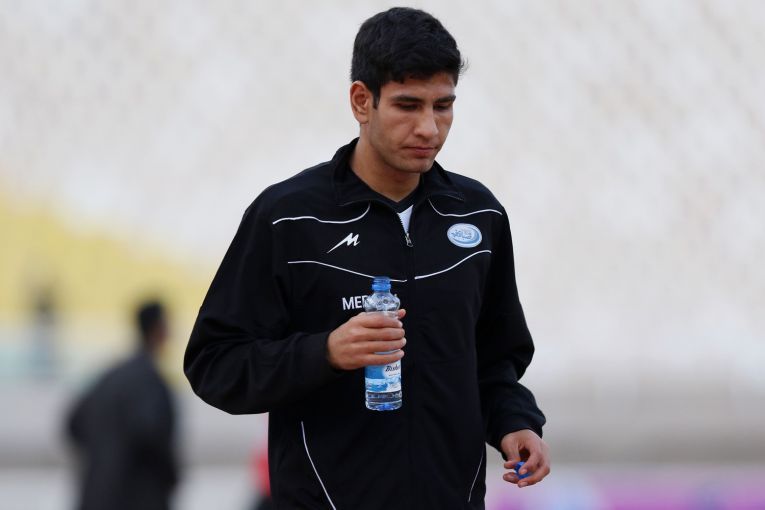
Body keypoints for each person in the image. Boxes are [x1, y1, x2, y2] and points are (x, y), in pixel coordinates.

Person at [185, 7, 550, 509]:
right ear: (362, 101)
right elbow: (214, 364)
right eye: (408, 105)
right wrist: (325, 352)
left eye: (444, 106)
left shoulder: (480, 214)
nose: (429, 128)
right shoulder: (288, 218)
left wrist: (515, 422)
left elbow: (493, 360)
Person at [66, 301, 179, 510]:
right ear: (158, 329)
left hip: (97, 494)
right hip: (137, 498)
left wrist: (102, 457)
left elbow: (73, 424)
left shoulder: (110, 376)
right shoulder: (151, 381)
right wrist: (171, 475)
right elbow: (150, 434)